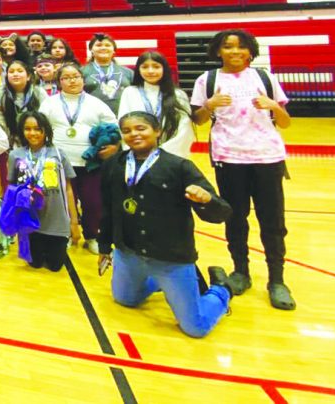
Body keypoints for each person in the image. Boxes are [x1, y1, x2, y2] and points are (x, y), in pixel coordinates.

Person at [98, 112, 234, 337]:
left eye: (141, 128)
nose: (134, 134)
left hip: (169, 258)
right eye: (127, 131)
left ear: (157, 131)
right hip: (128, 253)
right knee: (125, 299)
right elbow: (108, 209)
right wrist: (104, 247)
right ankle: (160, 283)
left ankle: (221, 289)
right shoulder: (113, 165)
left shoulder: (179, 167)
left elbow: (222, 212)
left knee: (196, 327)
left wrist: (207, 200)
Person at [190, 29, 295, 310]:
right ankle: (241, 271)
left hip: (267, 158)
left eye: (240, 47)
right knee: (235, 218)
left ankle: (277, 279)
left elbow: (285, 123)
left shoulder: (265, 78)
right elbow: (198, 120)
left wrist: (274, 106)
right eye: (228, 47)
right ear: (218, 51)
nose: (234, 52)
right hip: (229, 158)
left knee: (272, 222)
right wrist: (209, 105)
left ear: (250, 51)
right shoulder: (207, 80)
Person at [38, 64, 119, 254]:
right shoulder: (49, 104)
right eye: (66, 77)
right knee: (62, 203)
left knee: (93, 202)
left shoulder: (96, 103)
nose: (72, 80)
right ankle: (64, 234)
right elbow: (40, 129)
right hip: (57, 164)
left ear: (83, 79)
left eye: (76, 76)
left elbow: (114, 128)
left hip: (90, 164)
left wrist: (114, 147)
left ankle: (92, 236)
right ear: (59, 82)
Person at [6, 111, 80, 272]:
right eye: (27, 129)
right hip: (30, 220)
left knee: (55, 266)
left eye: (38, 129)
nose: (32, 133)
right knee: (35, 264)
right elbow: (12, 189)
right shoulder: (15, 155)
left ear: (46, 130)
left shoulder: (58, 154)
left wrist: (74, 222)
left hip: (56, 219)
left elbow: (68, 189)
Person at [118, 52, 193, 159]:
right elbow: (123, 124)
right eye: (145, 67)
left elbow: (184, 129)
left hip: (170, 156)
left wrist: (161, 154)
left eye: (156, 67)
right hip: (138, 154)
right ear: (138, 70)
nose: (150, 71)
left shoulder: (178, 95)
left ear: (164, 69)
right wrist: (136, 151)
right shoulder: (129, 92)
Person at [0, 60, 48, 145]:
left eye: (20, 71)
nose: (15, 74)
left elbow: (45, 118)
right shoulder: (0, 93)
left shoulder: (39, 92)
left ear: (28, 76)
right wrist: (7, 138)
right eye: (11, 72)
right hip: (10, 138)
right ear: (7, 76)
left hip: (36, 136)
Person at [82, 33, 134, 115]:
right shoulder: (81, 72)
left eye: (107, 45)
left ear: (114, 50)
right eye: (99, 45)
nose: (103, 48)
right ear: (91, 50)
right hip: (93, 118)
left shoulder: (128, 72)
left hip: (123, 119)